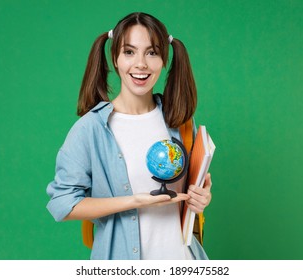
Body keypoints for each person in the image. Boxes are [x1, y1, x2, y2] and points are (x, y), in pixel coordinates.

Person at [46, 12, 212, 260]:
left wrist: (201, 198)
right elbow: (63, 204)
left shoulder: (179, 122)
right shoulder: (91, 128)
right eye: (129, 52)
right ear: (115, 58)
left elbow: (186, 198)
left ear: (164, 60)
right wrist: (134, 201)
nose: (141, 64)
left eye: (152, 52)